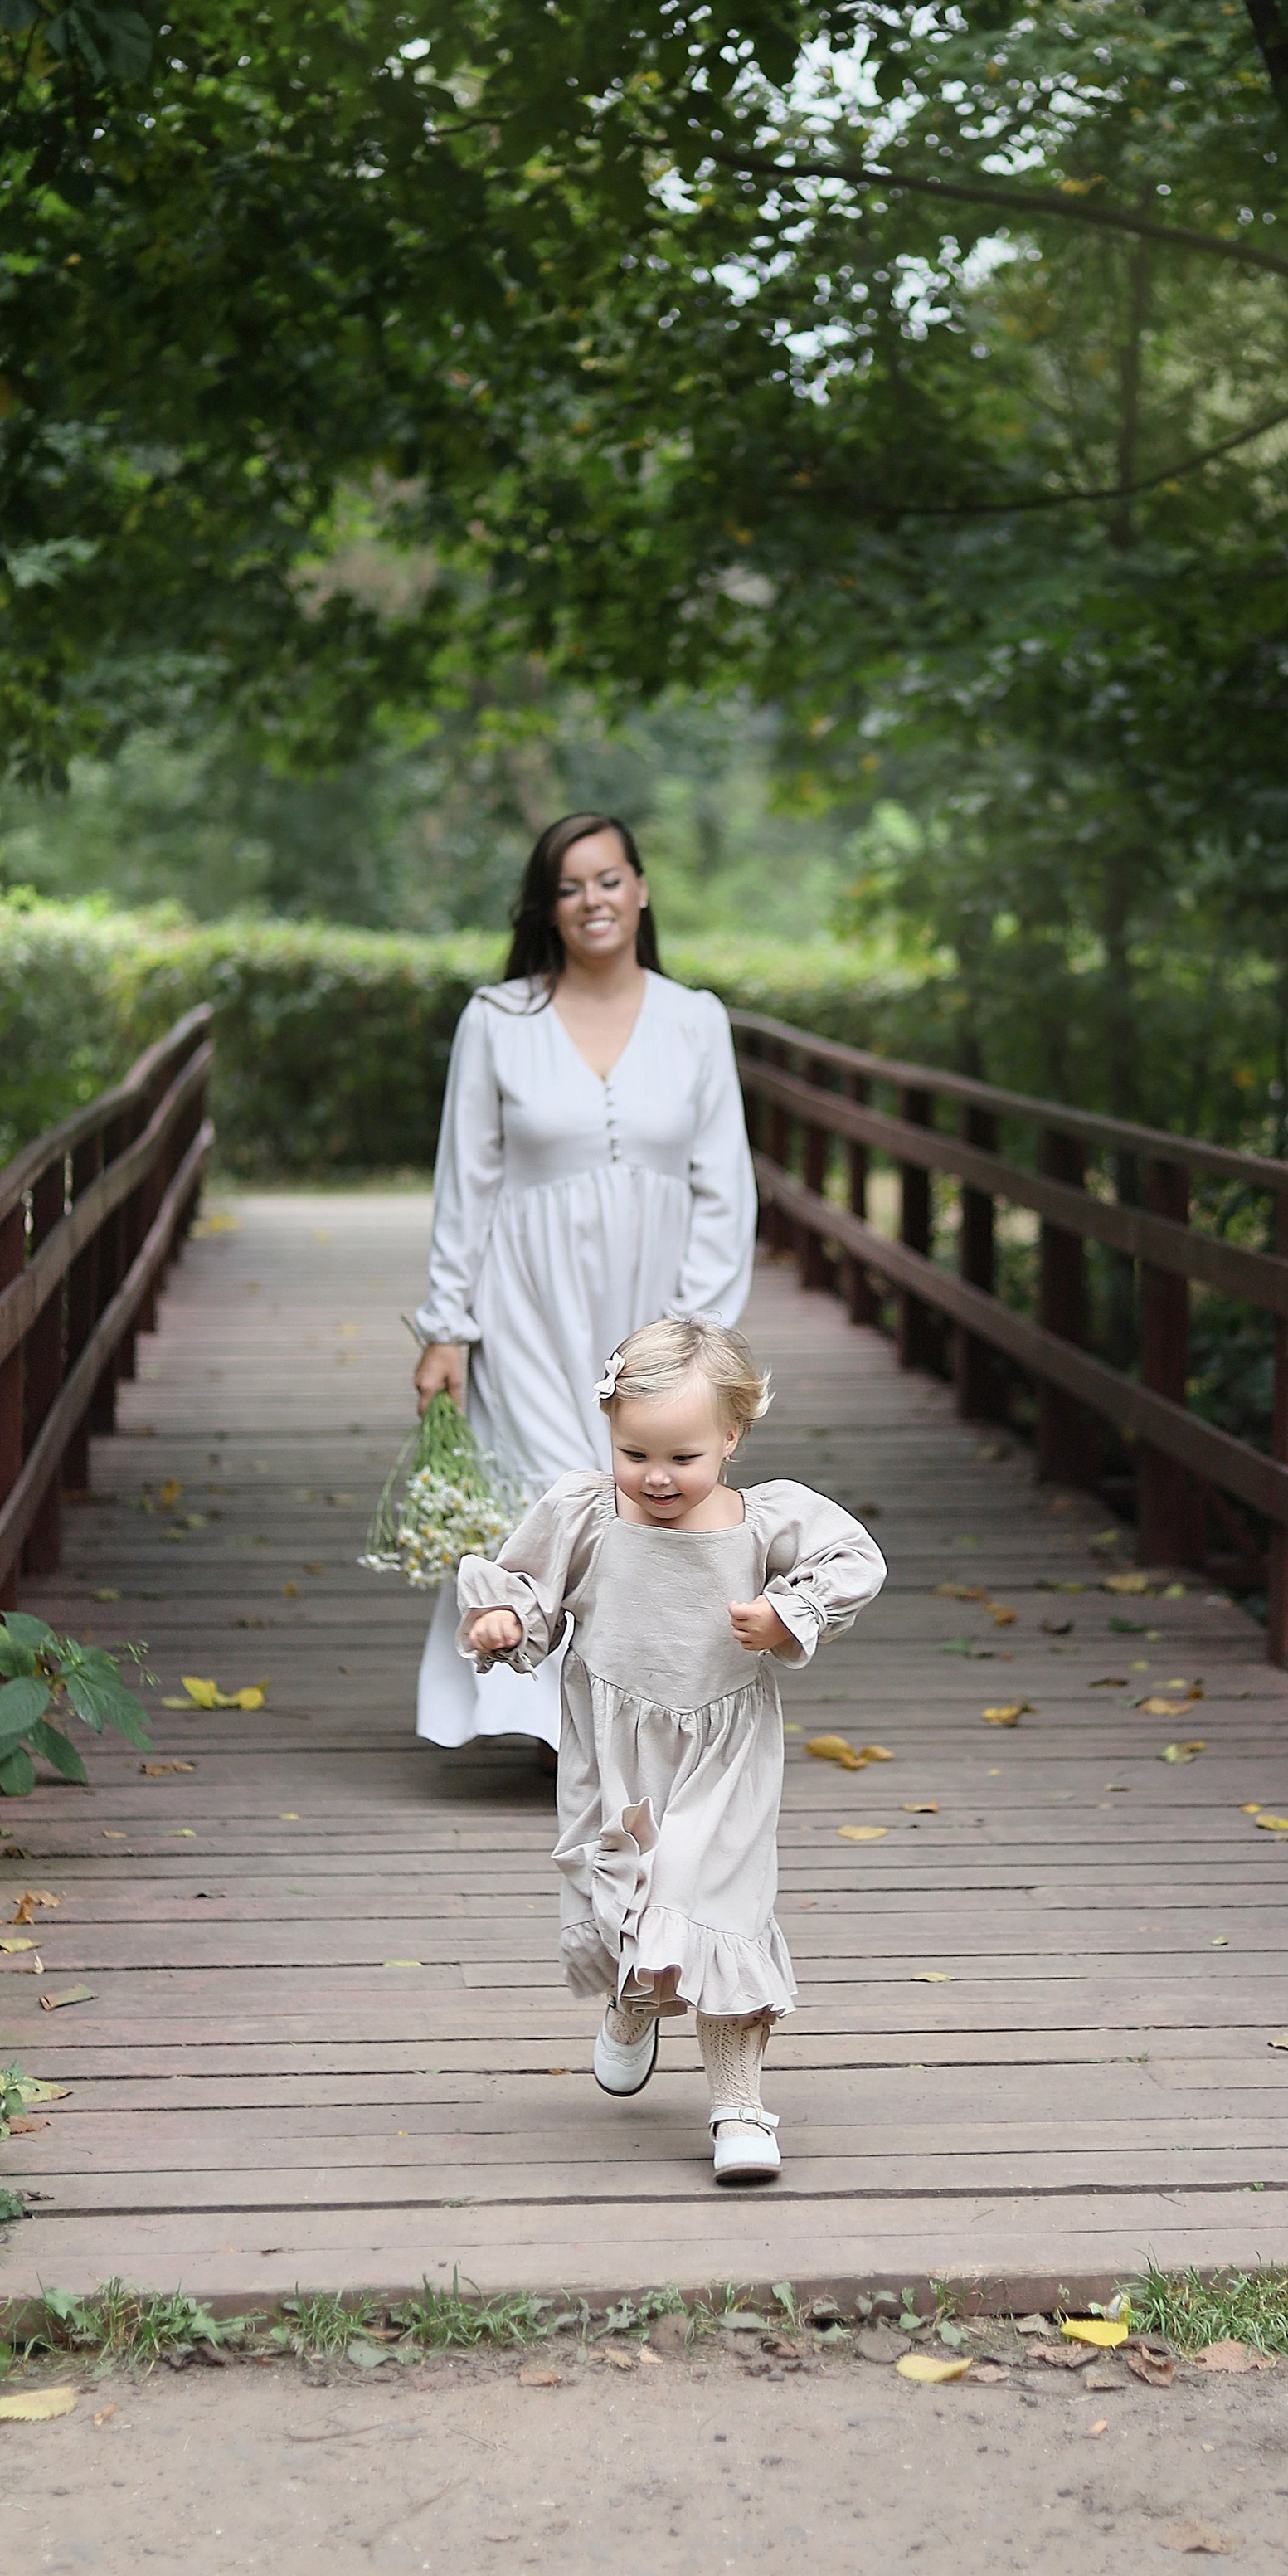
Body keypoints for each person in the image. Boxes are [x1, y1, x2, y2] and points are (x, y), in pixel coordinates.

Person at [454, 1315, 886, 2184]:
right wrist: (506, 1619)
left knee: (717, 1909)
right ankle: (632, 2000)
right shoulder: (585, 1512)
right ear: (610, 1433)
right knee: (633, 1900)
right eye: (635, 1453)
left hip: (723, 1750)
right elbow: (530, 1589)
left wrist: (786, 1611)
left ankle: (737, 2107)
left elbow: (853, 1560)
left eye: (682, 1458)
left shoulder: (764, 1523)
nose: (656, 1478)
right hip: (615, 1753)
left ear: (731, 1436)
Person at [409, 813, 756, 1754]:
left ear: (641, 889)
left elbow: (723, 1185)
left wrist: (700, 1338)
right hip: (523, 1301)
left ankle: (638, 1715)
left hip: (655, 1306)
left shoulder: (696, 1019)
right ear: (547, 909)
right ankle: (546, 1725)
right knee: (543, 1489)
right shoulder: (497, 1020)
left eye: (608, 880)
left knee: (648, 1496)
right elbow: (465, 1179)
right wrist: (447, 1327)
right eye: (569, 887)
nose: (592, 901)